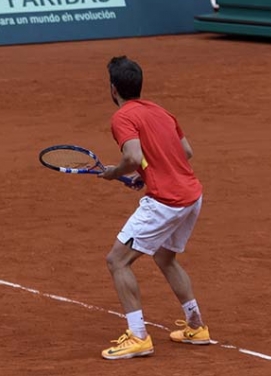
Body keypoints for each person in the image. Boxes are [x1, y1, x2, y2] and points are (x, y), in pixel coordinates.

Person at [97, 56, 210, 360]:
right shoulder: (161, 111)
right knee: (165, 257)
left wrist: (116, 172)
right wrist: (143, 175)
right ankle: (196, 325)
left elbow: (133, 155)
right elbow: (185, 151)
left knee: (117, 261)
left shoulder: (122, 117)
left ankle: (138, 336)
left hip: (167, 201)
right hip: (192, 196)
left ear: (112, 89)